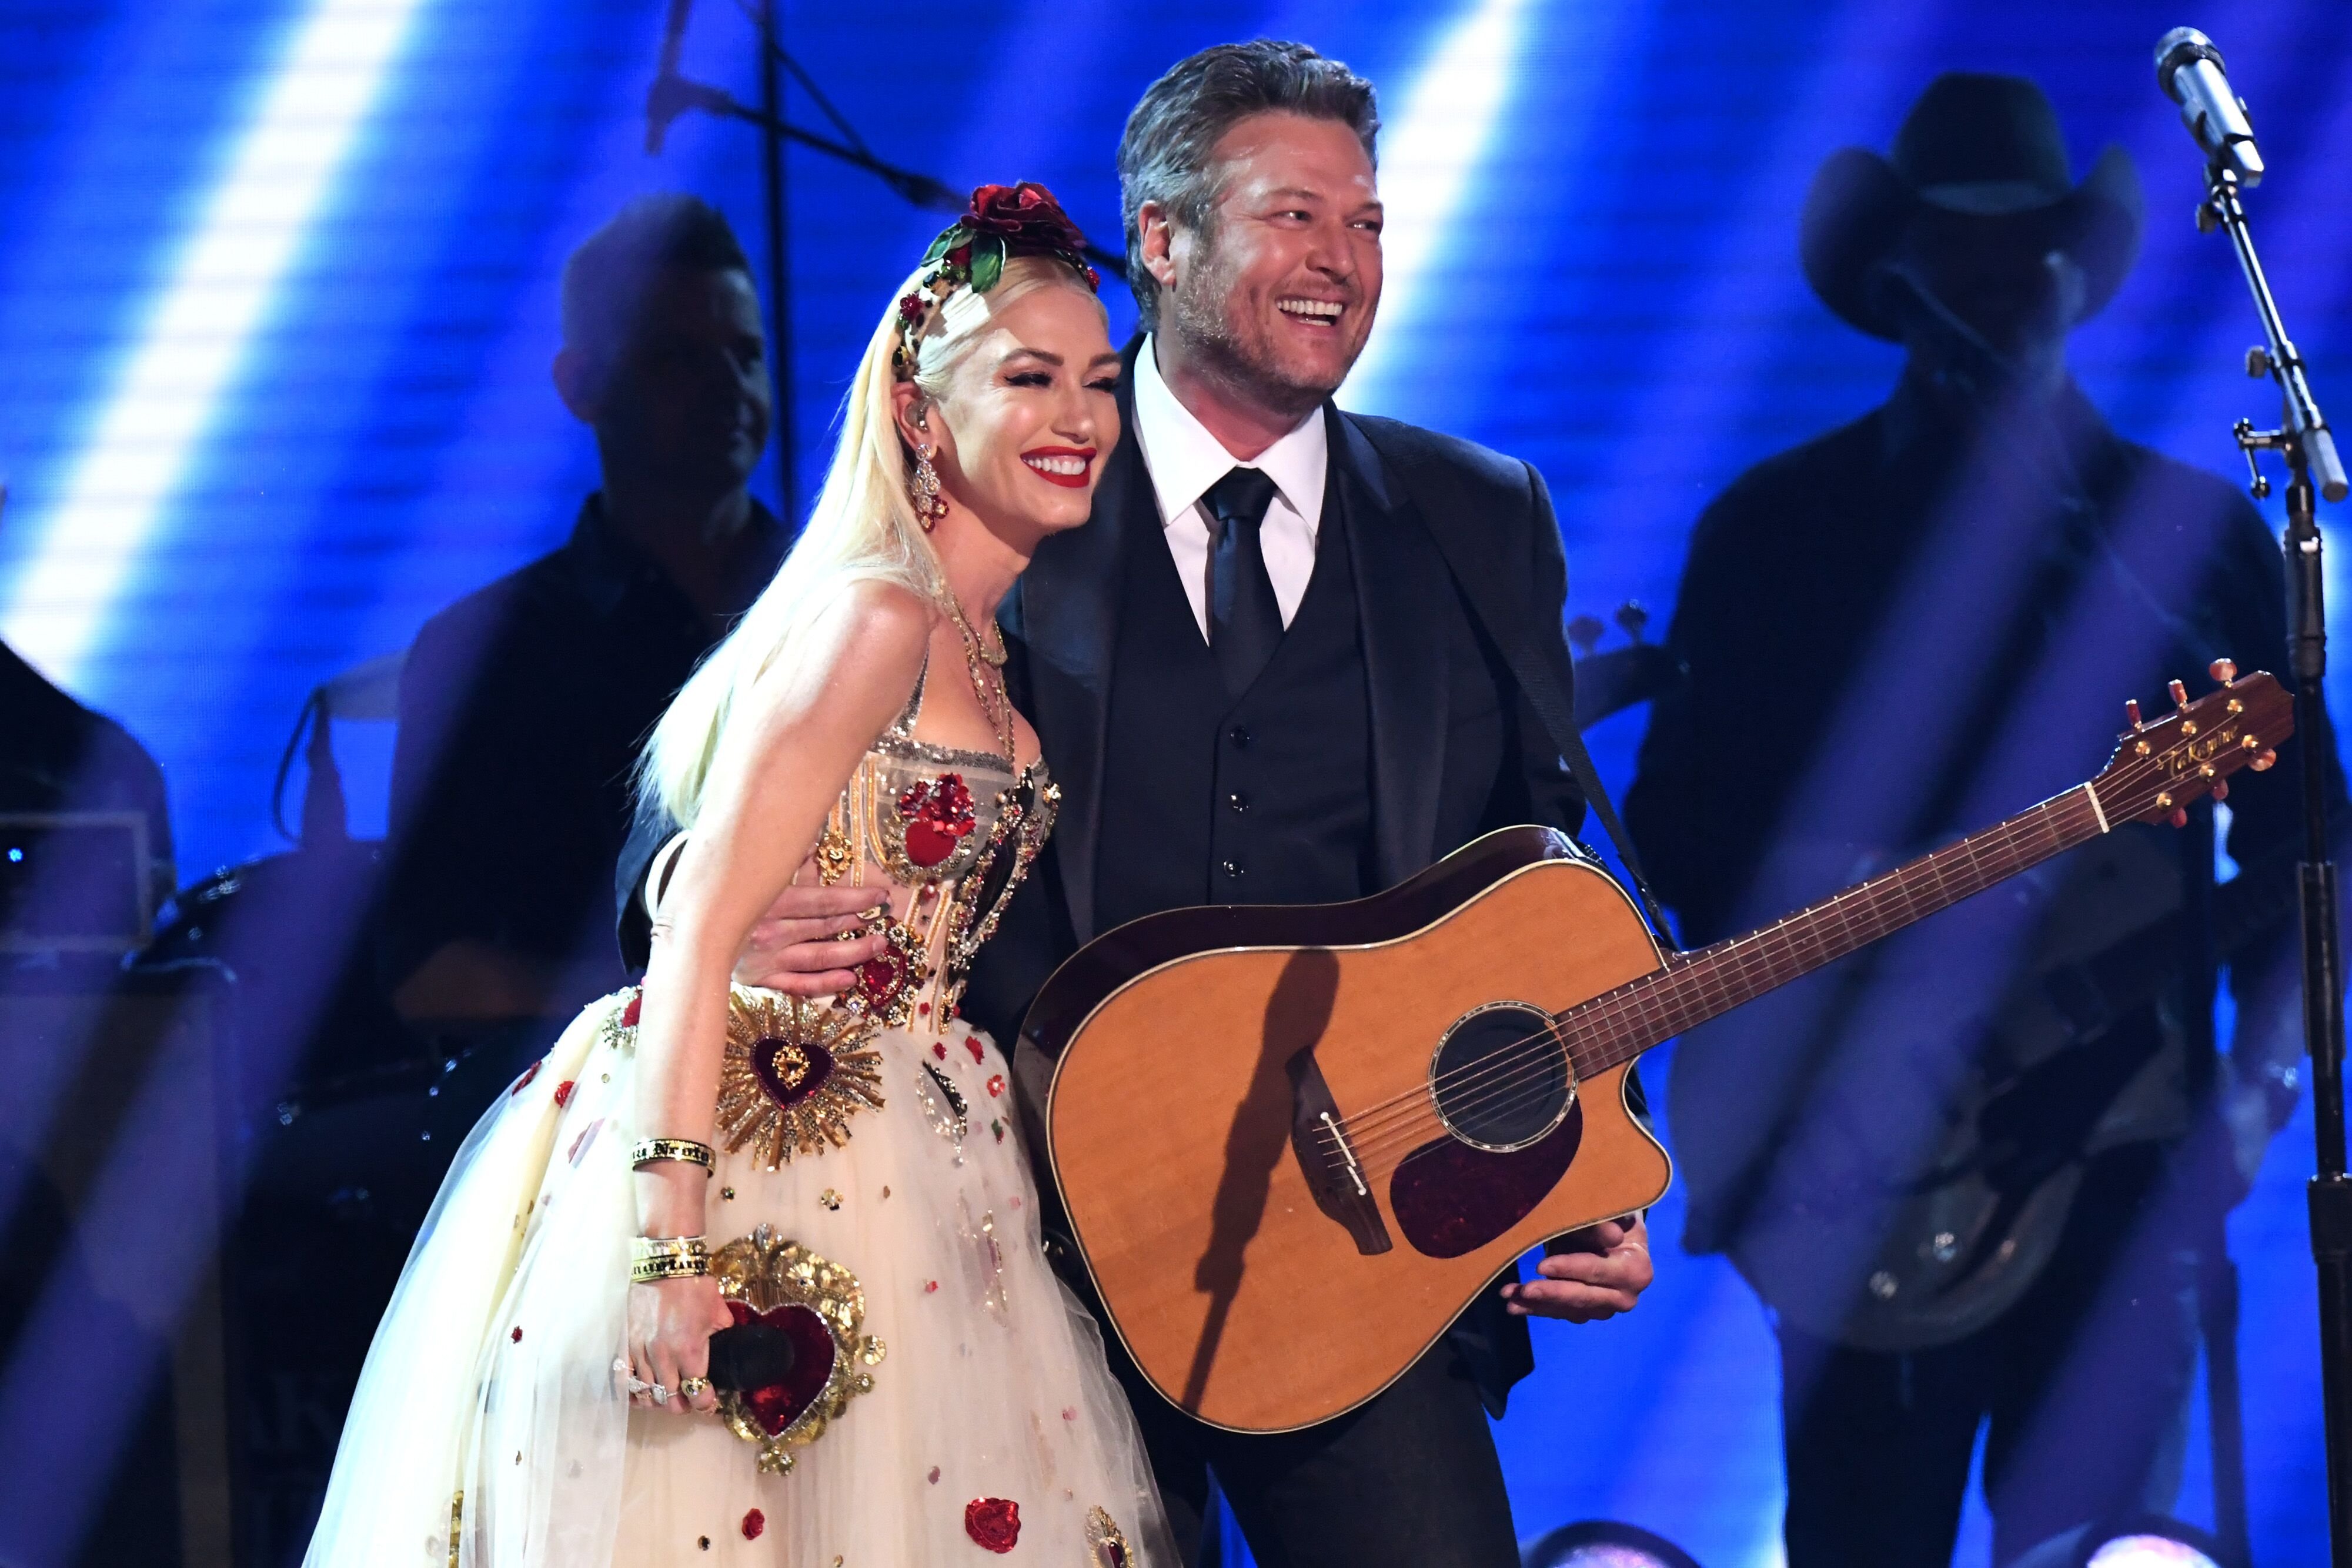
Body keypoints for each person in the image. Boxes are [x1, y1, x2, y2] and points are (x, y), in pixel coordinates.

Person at [626, 42, 1656, 1567]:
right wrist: (700, 905)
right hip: (1003, 1242)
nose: (1342, 262)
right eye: (1294, 215)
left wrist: (1604, 1141)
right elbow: (722, 777)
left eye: (1366, 222)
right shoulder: (1014, 476)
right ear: (1161, 242)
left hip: (1341, 1255)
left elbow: (1546, 863)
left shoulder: (1475, 511)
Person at [304, 185, 1171, 1565]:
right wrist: (668, 1252)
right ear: (919, 411)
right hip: (773, 1142)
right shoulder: (874, 616)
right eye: (1029, 377)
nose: (1079, 416)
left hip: (934, 1151)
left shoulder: (987, 644)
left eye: (1098, 381)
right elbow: (698, 916)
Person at [1625, 74, 2334, 1567]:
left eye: (2025, 247)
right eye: (1957, 247)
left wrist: (2248, 1112)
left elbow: (2305, 858)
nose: (1995, 280)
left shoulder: (2190, 536)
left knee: (2095, 1542)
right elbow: (1678, 845)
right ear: (1898, 279)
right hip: (1853, 1143)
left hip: (2123, 1141)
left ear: (2075, 270)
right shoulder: (1774, 527)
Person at [381, 193, 787, 1029]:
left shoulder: (844, 608)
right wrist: (691, 990)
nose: (727, 387)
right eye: (677, 358)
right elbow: (430, 972)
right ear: (581, 384)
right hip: (583, 1105)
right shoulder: (487, 651)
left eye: (746, 355)